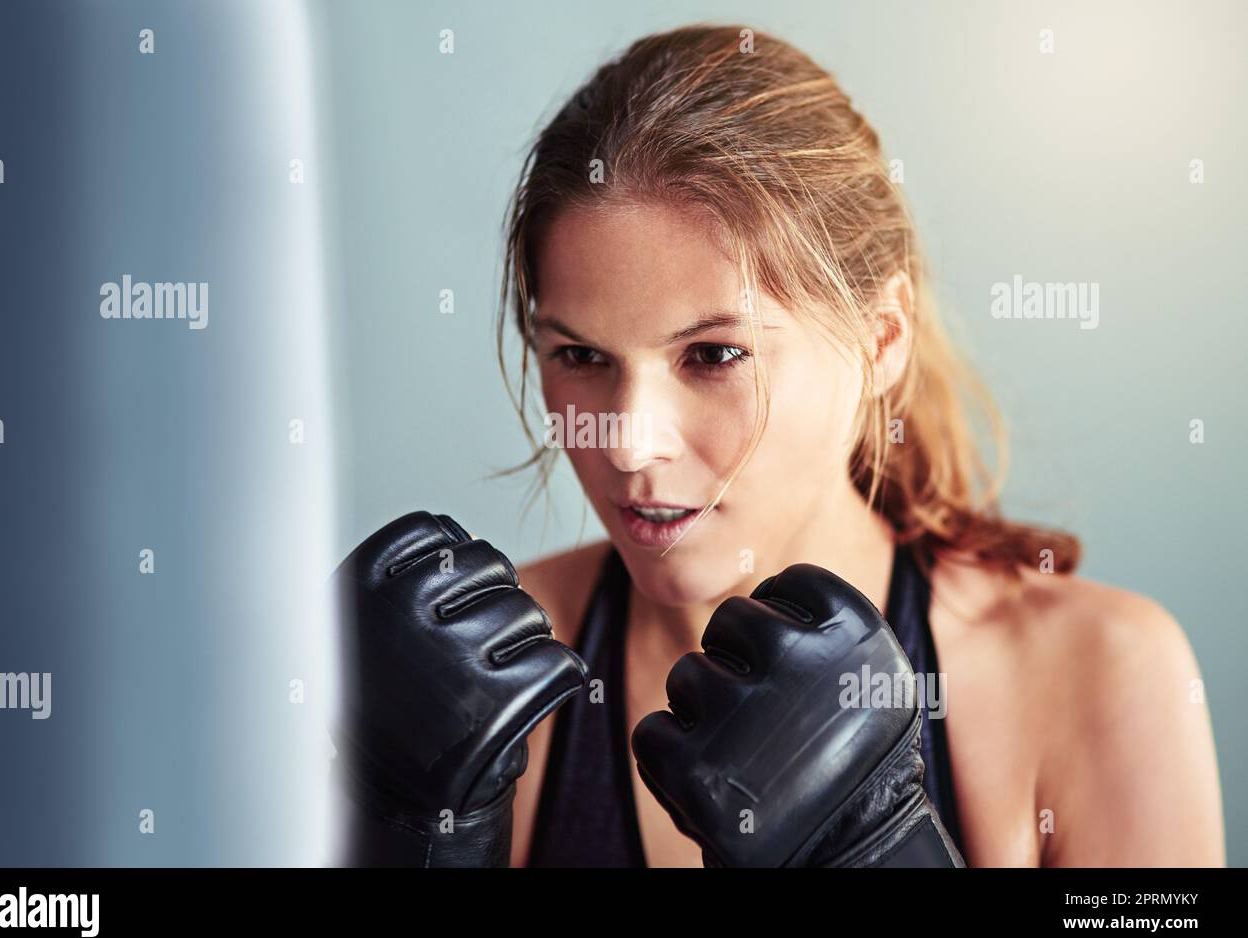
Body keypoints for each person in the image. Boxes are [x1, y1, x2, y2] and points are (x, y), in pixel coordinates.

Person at [330, 24, 1224, 868]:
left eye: (714, 354)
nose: (631, 442)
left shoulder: (1097, 677)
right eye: (581, 354)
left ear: (882, 340)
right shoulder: (489, 685)